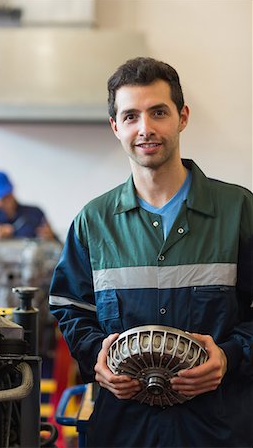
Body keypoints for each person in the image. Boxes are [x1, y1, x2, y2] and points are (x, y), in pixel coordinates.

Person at [49, 57, 253, 447]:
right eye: (130, 116)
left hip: (220, 429)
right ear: (115, 126)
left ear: (182, 117)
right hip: (124, 429)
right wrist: (97, 358)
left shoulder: (239, 211)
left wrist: (230, 356)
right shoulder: (94, 222)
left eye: (158, 112)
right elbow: (69, 307)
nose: (145, 129)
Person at [0, 171, 59, 242]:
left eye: (8, 194)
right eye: (2, 197)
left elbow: (59, 248)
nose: (7, 200)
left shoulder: (35, 213)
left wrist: (52, 238)